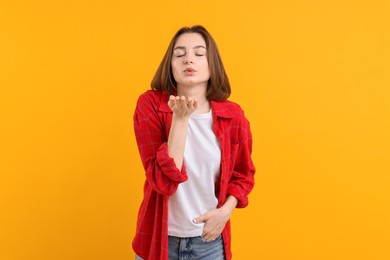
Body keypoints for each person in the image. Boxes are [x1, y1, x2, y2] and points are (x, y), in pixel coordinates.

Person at [132, 25, 255, 260]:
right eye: (180, 54)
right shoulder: (150, 106)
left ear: (212, 64)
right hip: (158, 241)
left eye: (199, 54)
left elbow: (243, 175)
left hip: (208, 243)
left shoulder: (233, 116)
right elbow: (163, 182)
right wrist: (180, 119)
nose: (189, 59)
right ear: (171, 65)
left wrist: (224, 213)